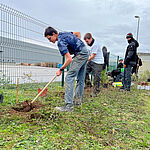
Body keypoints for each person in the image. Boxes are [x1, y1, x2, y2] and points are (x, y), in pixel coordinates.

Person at [44, 27, 89, 112]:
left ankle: (68, 106)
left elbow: (69, 59)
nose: (50, 41)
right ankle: (78, 102)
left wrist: (61, 69)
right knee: (80, 79)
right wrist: (77, 44)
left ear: (53, 34)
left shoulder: (60, 42)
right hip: (85, 52)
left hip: (81, 54)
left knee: (69, 77)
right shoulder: (64, 34)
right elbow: (78, 33)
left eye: (49, 38)